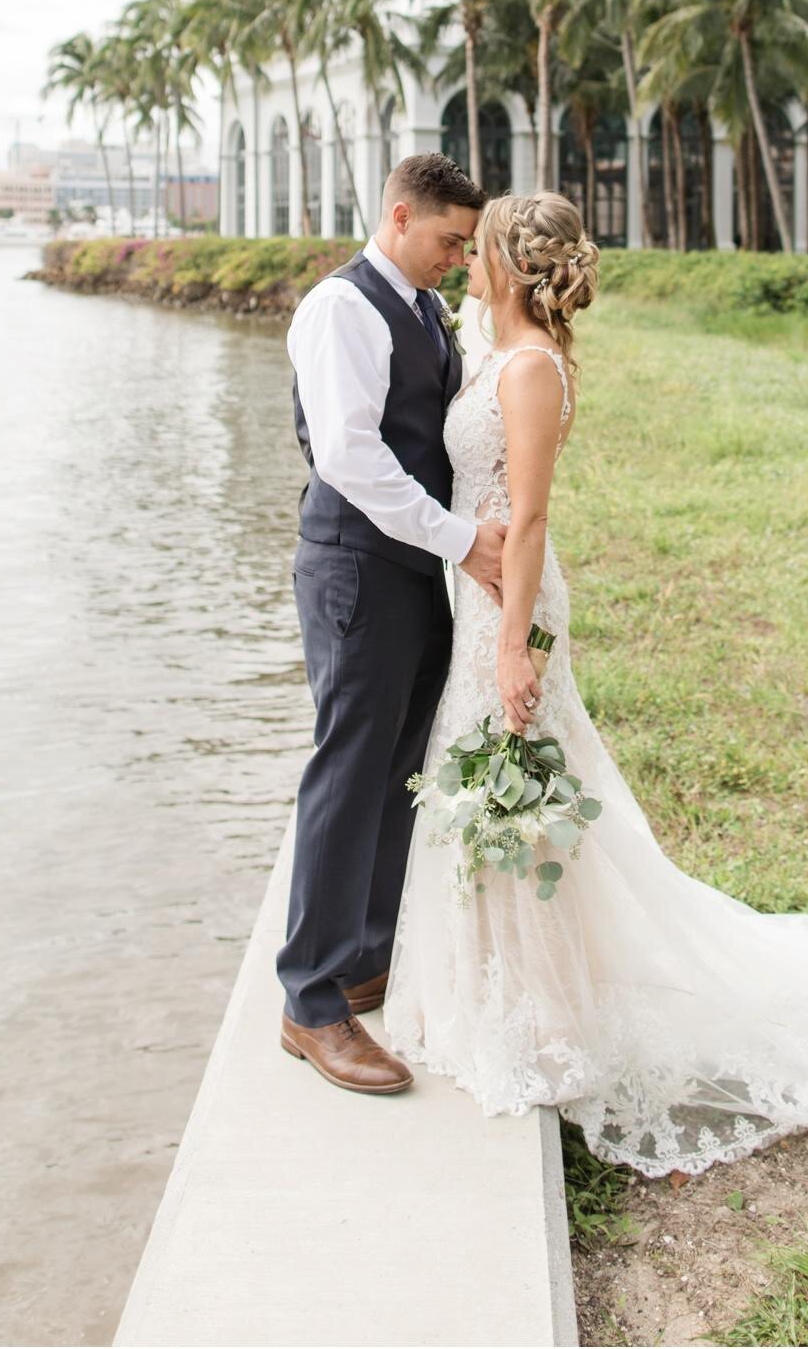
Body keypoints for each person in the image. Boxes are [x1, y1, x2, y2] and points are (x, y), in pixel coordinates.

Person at [382, 190, 808, 1175]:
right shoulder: (494, 346)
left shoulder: (533, 367)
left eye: (476, 247)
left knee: (524, 802)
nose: (462, 259)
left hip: (515, 610)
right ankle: (507, 995)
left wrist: (511, 646)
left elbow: (531, 519)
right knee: (489, 798)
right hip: (476, 602)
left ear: (508, 262)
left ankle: (547, 1018)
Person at [277, 151, 505, 1094]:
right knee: (349, 768)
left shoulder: (421, 306)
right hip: (359, 568)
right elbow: (350, 456)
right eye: (449, 240)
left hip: (414, 568)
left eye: (467, 244)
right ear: (402, 217)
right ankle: (312, 1001)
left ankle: (368, 952)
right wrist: (461, 541)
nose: (458, 258)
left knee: (400, 767)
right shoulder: (342, 308)